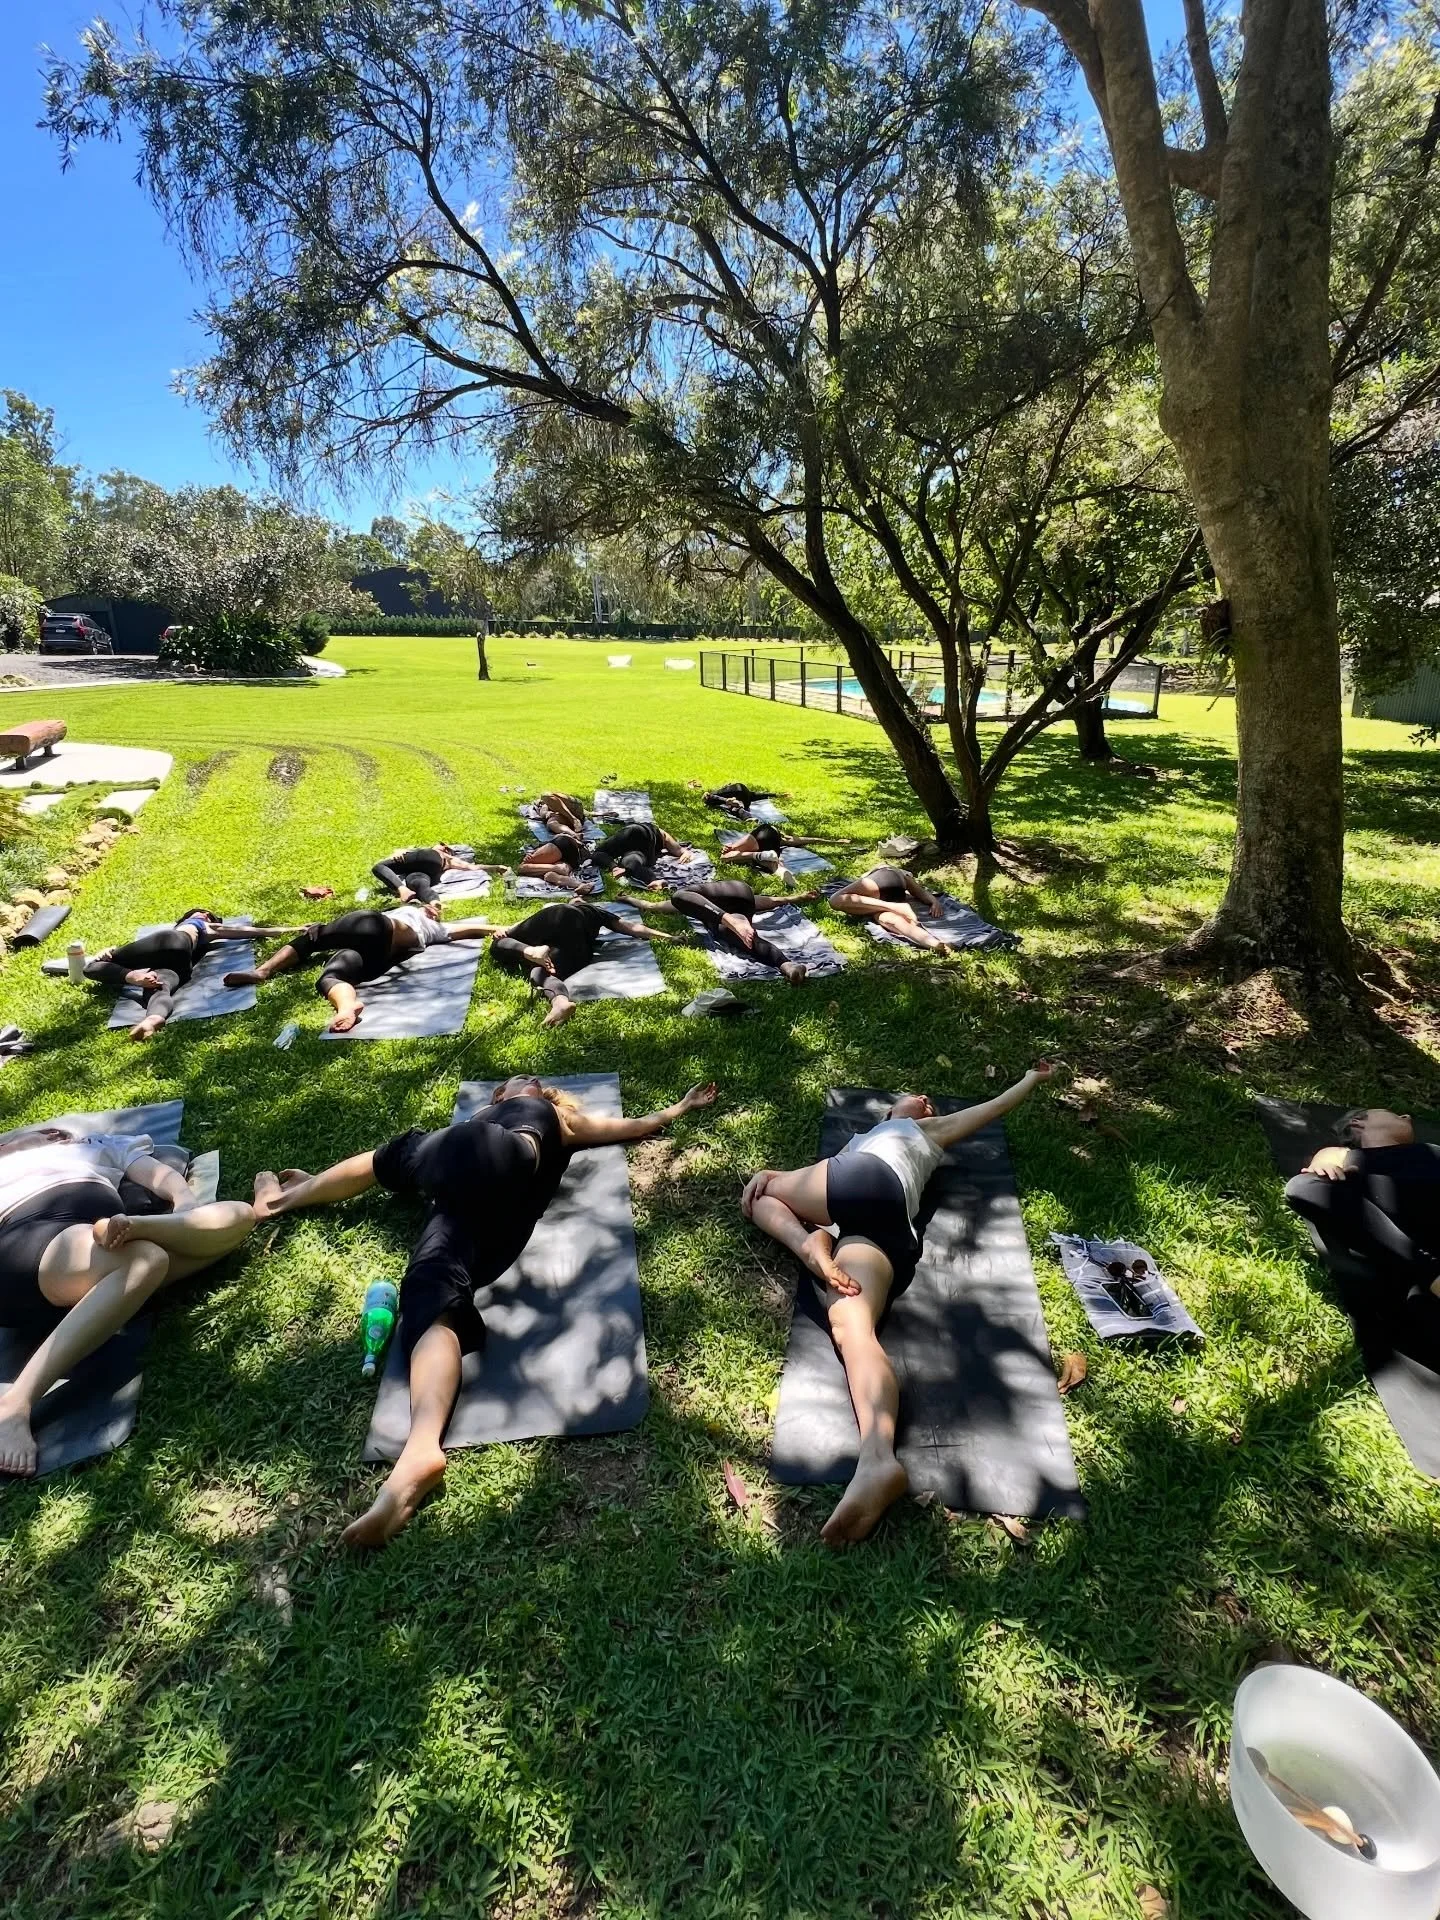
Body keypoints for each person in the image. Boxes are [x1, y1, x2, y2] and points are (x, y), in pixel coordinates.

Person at [252, 1075, 720, 1546]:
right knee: (429, 1290)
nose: (532, 1079)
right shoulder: (501, 1121)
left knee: (399, 1152)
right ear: (499, 1095)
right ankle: (420, 1449)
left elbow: (629, 1125)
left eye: (537, 1081)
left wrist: (679, 1107)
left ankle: (283, 1199)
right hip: (477, 1210)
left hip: (495, 1154)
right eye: (521, 1079)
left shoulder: (555, 1117)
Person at [741, 1063, 1056, 1545]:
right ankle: (877, 1458)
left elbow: (989, 1109)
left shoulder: (918, 1131)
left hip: (865, 1182)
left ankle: (808, 1247)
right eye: (919, 1098)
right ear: (891, 1109)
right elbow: (815, 1182)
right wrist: (778, 1177)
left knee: (757, 1194)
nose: (926, 1102)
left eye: (929, 1104)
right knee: (852, 1329)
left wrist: (1030, 1080)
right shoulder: (869, 1139)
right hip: (887, 1228)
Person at [0, 1125, 257, 1476]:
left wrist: (184, 1203)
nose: (47, 1134)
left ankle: (140, 1228)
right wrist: (11, 1147)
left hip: (103, 1244)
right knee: (146, 1260)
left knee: (241, 1214)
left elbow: (161, 1176)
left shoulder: (98, 1145)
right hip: (25, 1236)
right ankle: (14, 1405)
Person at [1286, 1108, 1440, 1365]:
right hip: (1420, 1262)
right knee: (1303, 1186)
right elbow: (1309, 1183)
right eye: (1396, 1114)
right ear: (1357, 1123)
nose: (1407, 1117)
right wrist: (1326, 1160)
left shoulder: (1432, 1152)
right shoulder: (1355, 1169)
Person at [225, 903, 497, 1032]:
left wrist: (506, 930)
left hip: (382, 928)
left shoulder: (435, 924)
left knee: (322, 933)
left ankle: (263, 971)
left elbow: (477, 928)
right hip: (380, 953)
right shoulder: (418, 917)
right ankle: (346, 1007)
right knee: (331, 975)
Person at [82, 908, 302, 1043]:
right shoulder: (202, 930)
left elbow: (252, 931)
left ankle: (131, 977)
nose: (206, 915)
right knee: (159, 987)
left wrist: (294, 929)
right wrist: (293, 929)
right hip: (182, 961)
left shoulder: (200, 925)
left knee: (93, 966)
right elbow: (252, 931)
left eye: (208, 915)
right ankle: (153, 1018)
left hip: (169, 942)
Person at [488, 897, 678, 1027]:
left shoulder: (581, 909)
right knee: (542, 970)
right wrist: (668, 937)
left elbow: (520, 927)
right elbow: (630, 928)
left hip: (557, 918)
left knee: (501, 948)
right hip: (577, 939)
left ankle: (532, 955)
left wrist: (506, 932)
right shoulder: (595, 912)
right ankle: (560, 1001)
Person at [624, 880, 819, 984]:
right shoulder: (697, 900)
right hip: (741, 897)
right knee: (745, 938)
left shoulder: (691, 897)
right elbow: (763, 901)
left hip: (732, 900)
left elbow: (653, 905)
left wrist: (633, 900)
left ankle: (732, 921)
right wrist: (795, 898)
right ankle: (788, 966)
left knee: (679, 897)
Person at [827, 866, 950, 951]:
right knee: (888, 919)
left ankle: (896, 907)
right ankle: (932, 943)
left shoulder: (883, 869)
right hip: (894, 889)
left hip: (885, 878)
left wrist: (933, 901)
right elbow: (920, 891)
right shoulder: (903, 876)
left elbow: (917, 888)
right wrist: (934, 902)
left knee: (835, 900)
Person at [371, 845, 500, 904]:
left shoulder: (434, 850)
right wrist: (496, 867)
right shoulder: (451, 860)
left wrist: (398, 852)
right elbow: (472, 867)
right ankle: (434, 902)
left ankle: (402, 889)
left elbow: (403, 851)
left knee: (379, 867)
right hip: (431, 869)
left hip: (425, 858)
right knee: (418, 883)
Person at [719, 822, 860, 872]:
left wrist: (730, 847)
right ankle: (770, 863)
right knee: (771, 863)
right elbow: (806, 840)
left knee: (725, 857)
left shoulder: (777, 841)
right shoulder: (781, 838)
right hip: (767, 835)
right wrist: (834, 842)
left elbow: (731, 848)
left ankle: (761, 857)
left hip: (761, 840)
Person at [591, 820, 686, 884]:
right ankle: (652, 880)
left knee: (598, 854)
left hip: (629, 832)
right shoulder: (660, 834)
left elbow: (677, 849)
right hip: (639, 836)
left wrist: (613, 866)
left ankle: (615, 867)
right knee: (633, 862)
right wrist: (684, 852)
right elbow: (677, 849)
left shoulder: (656, 834)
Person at [515, 830, 596, 893]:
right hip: (573, 858)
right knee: (550, 876)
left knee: (522, 867)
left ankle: (556, 868)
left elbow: (522, 868)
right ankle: (581, 885)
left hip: (563, 845)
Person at [703, 783, 783, 818]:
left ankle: (747, 817)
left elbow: (708, 795)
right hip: (741, 789)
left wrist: (727, 800)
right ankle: (776, 795)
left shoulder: (712, 796)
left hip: (740, 792)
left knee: (736, 808)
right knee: (752, 797)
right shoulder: (716, 793)